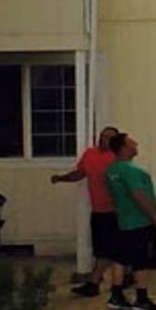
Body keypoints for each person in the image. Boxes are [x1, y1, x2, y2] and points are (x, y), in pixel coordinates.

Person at [51, 126, 119, 296]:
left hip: (116, 210)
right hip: (98, 210)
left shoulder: (118, 158)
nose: (103, 140)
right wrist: (61, 178)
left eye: (108, 137)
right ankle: (106, 281)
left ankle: (97, 283)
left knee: (110, 251)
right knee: (102, 249)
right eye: (102, 136)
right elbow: (80, 173)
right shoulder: (90, 154)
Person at [103, 133, 156, 310]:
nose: (136, 144)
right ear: (123, 148)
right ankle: (141, 298)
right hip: (140, 222)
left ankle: (116, 295)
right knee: (142, 261)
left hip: (122, 221)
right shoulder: (131, 171)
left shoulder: (111, 170)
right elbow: (139, 195)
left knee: (121, 258)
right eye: (131, 142)